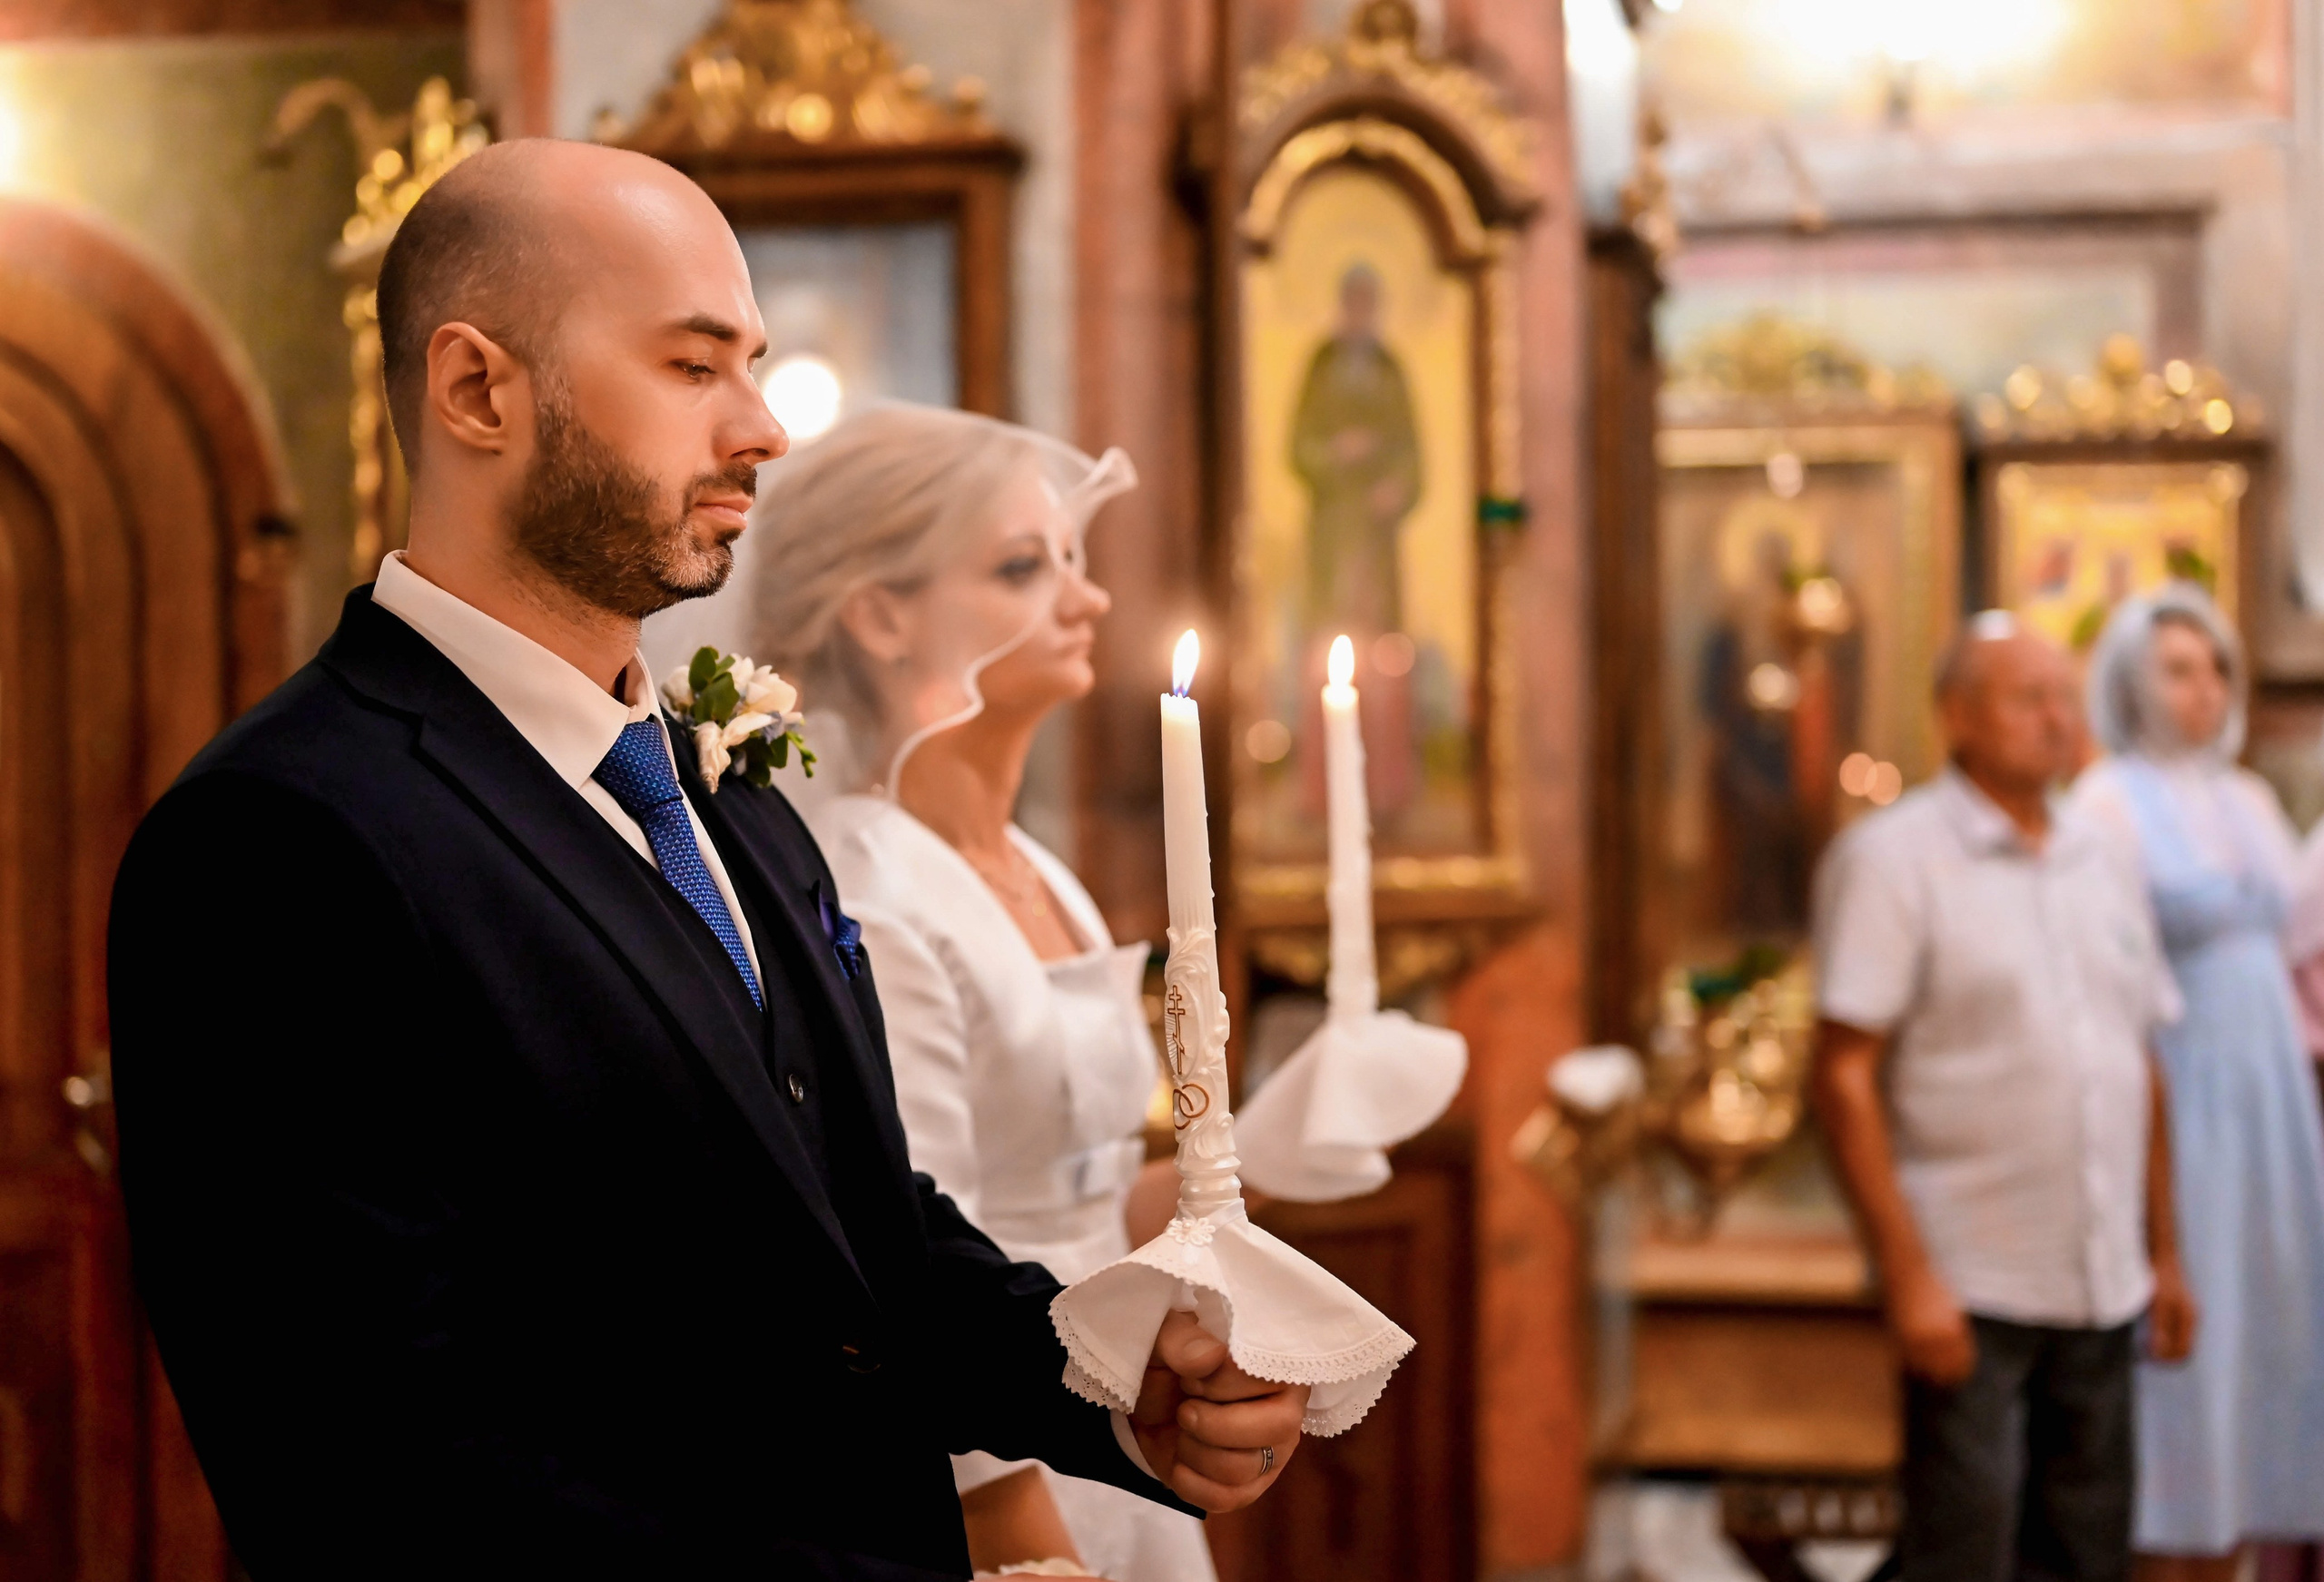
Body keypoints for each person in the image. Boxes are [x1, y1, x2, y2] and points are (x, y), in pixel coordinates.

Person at [103, 140, 1306, 1581]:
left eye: (757, 363)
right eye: (694, 369)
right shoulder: (283, 840)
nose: (764, 429)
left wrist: (1108, 1377)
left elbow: (859, 1223)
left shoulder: (719, 785)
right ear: (480, 388)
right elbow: (377, 1463)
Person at [736, 404, 1215, 1582]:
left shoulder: (1038, 868)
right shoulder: (866, 880)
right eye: (1022, 565)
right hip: (1001, 1461)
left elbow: (1082, 1189)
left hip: (1111, 1415)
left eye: (1073, 560)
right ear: (882, 613)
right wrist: (1016, 1533)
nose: (1086, 597)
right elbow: (904, 1246)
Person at [1810, 613, 2196, 1582]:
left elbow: (2136, 1061)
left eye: (2064, 697)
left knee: (2085, 1547)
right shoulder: (1893, 860)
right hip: (1968, 1274)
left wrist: (2164, 1252)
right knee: (1964, 1549)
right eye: (2028, 698)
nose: (2056, 719)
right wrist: (1905, 1275)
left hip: (2101, 1273)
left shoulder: (2100, 856)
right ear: (1957, 716)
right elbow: (1842, 1072)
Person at [2069, 585, 2324, 1580]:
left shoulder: (2250, 799)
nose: (2203, 691)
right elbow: (2110, 962)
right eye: (2178, 669)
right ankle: (2167, 1544)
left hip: (2270, 1101)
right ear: (2130, 679)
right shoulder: (2105, 800)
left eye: (2215, 668)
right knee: (2188, 1339)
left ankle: (2241, 1538)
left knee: (2270, 1323)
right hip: (2183, 1092)